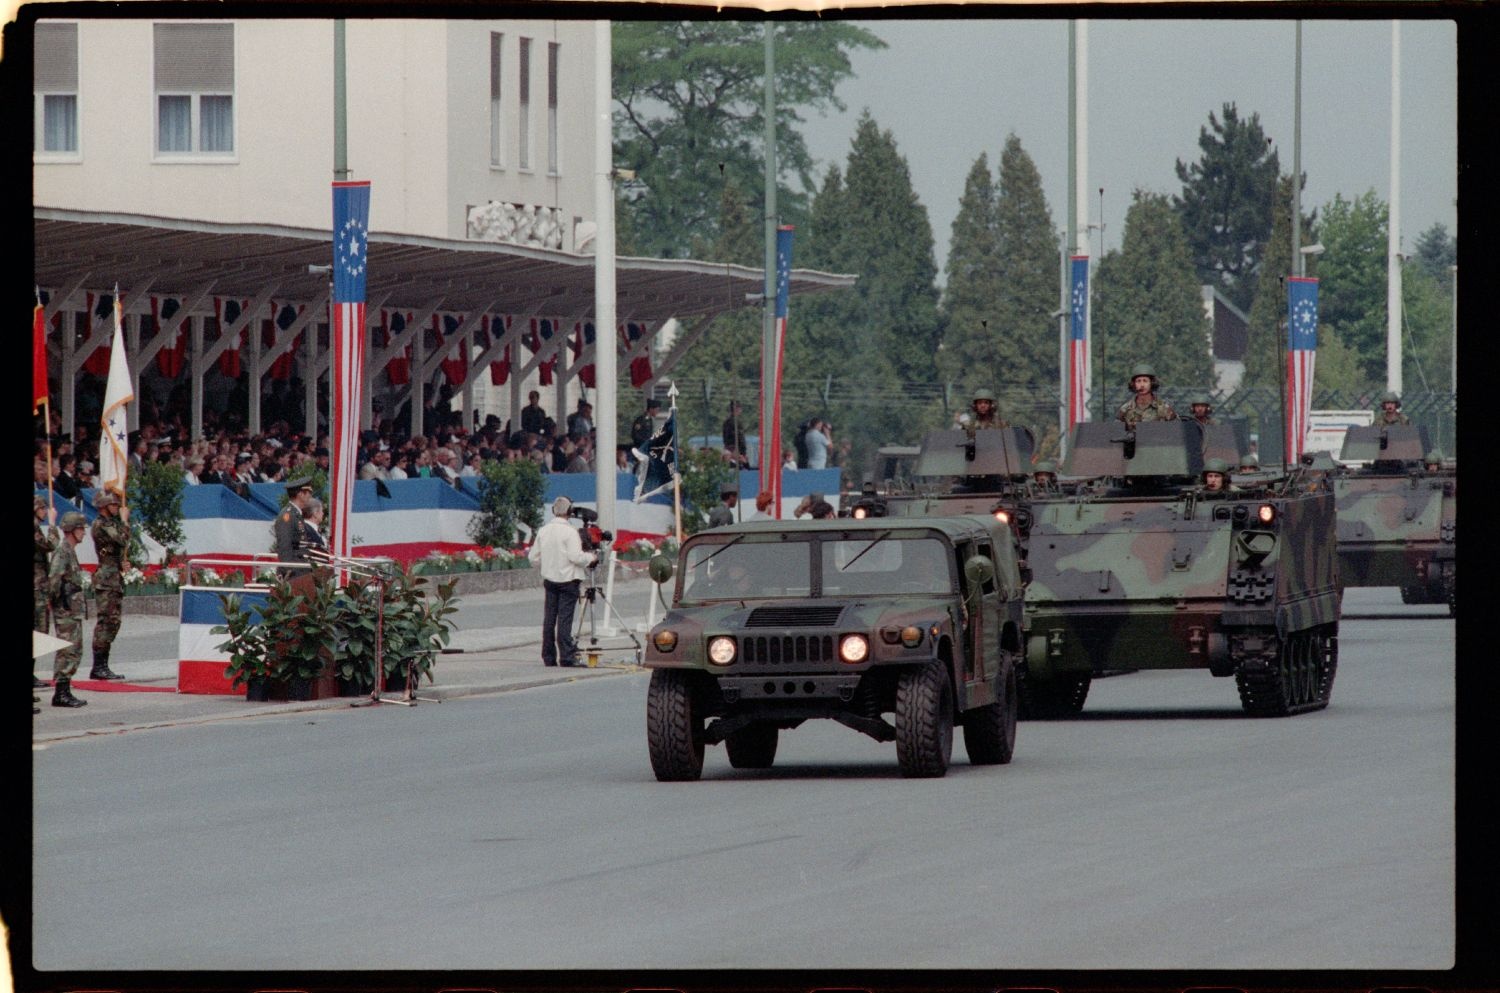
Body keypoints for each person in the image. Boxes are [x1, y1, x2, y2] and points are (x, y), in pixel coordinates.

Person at [526, 496, 597, 668]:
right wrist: (591, 557)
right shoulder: (570, 531)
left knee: (549, 619)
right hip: (568, 580)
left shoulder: (544, 530)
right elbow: (575, 557)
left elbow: (533, 558)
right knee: (564, 620)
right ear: (570, 512)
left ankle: (548, 656)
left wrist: (550, 562)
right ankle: (567, 656)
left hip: (550, 580)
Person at [48, 511, 91, 707]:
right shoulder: (62, 552)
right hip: (65, 610)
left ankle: (65, 690)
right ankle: (61, 693)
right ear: (71, 530)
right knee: (67, 650)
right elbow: (54, 581)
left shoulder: (70, 551)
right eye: (80, 528)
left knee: (74, 650)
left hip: (72, 610)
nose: (83, 532)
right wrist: (60, 605)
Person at [89, 490, 129, 680]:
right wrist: (125, 521)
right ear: (104, 507)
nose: (117, 508)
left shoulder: (109, 524)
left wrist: (121, 561)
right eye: (113, 505)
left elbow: (116, 548)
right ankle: (99, 666)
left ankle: (103, 664)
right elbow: (122, 539)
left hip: (113, 577)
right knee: (106, 622)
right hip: (106, 579)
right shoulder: (101, 524)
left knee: (113, 621)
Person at [34, 496, 59, 692]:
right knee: (39, 630)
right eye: (43, 508)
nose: (45, 511)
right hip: (36, 586)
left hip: (39, 584)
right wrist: (52, 524)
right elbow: (50, 545)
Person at [1117, 363, 1178, 429]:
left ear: (1152, 383)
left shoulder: (1164, 408)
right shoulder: (1125, 409)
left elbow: (1177, 431)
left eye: (1145, 381)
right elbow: (1116, 432)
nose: (1142, 385)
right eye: (1138, 381)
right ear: (1133, 384)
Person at [275, 475, 316, 564]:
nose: (310, 496)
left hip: (302, 567)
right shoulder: (287, 515)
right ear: (300, 494)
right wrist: (289, 570)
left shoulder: (296, 514)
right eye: (309, 493)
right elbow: (284, 547)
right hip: (295, 571)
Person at [722, 401, 749, 468]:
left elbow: (724, 437)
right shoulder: (737, 422)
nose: (741, 410)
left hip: (729, 447)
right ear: (736, 409)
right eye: (740, 408)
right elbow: (740, 437)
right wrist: (743, 452)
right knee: (744, 466)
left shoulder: (726, 422)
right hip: (736, 448)